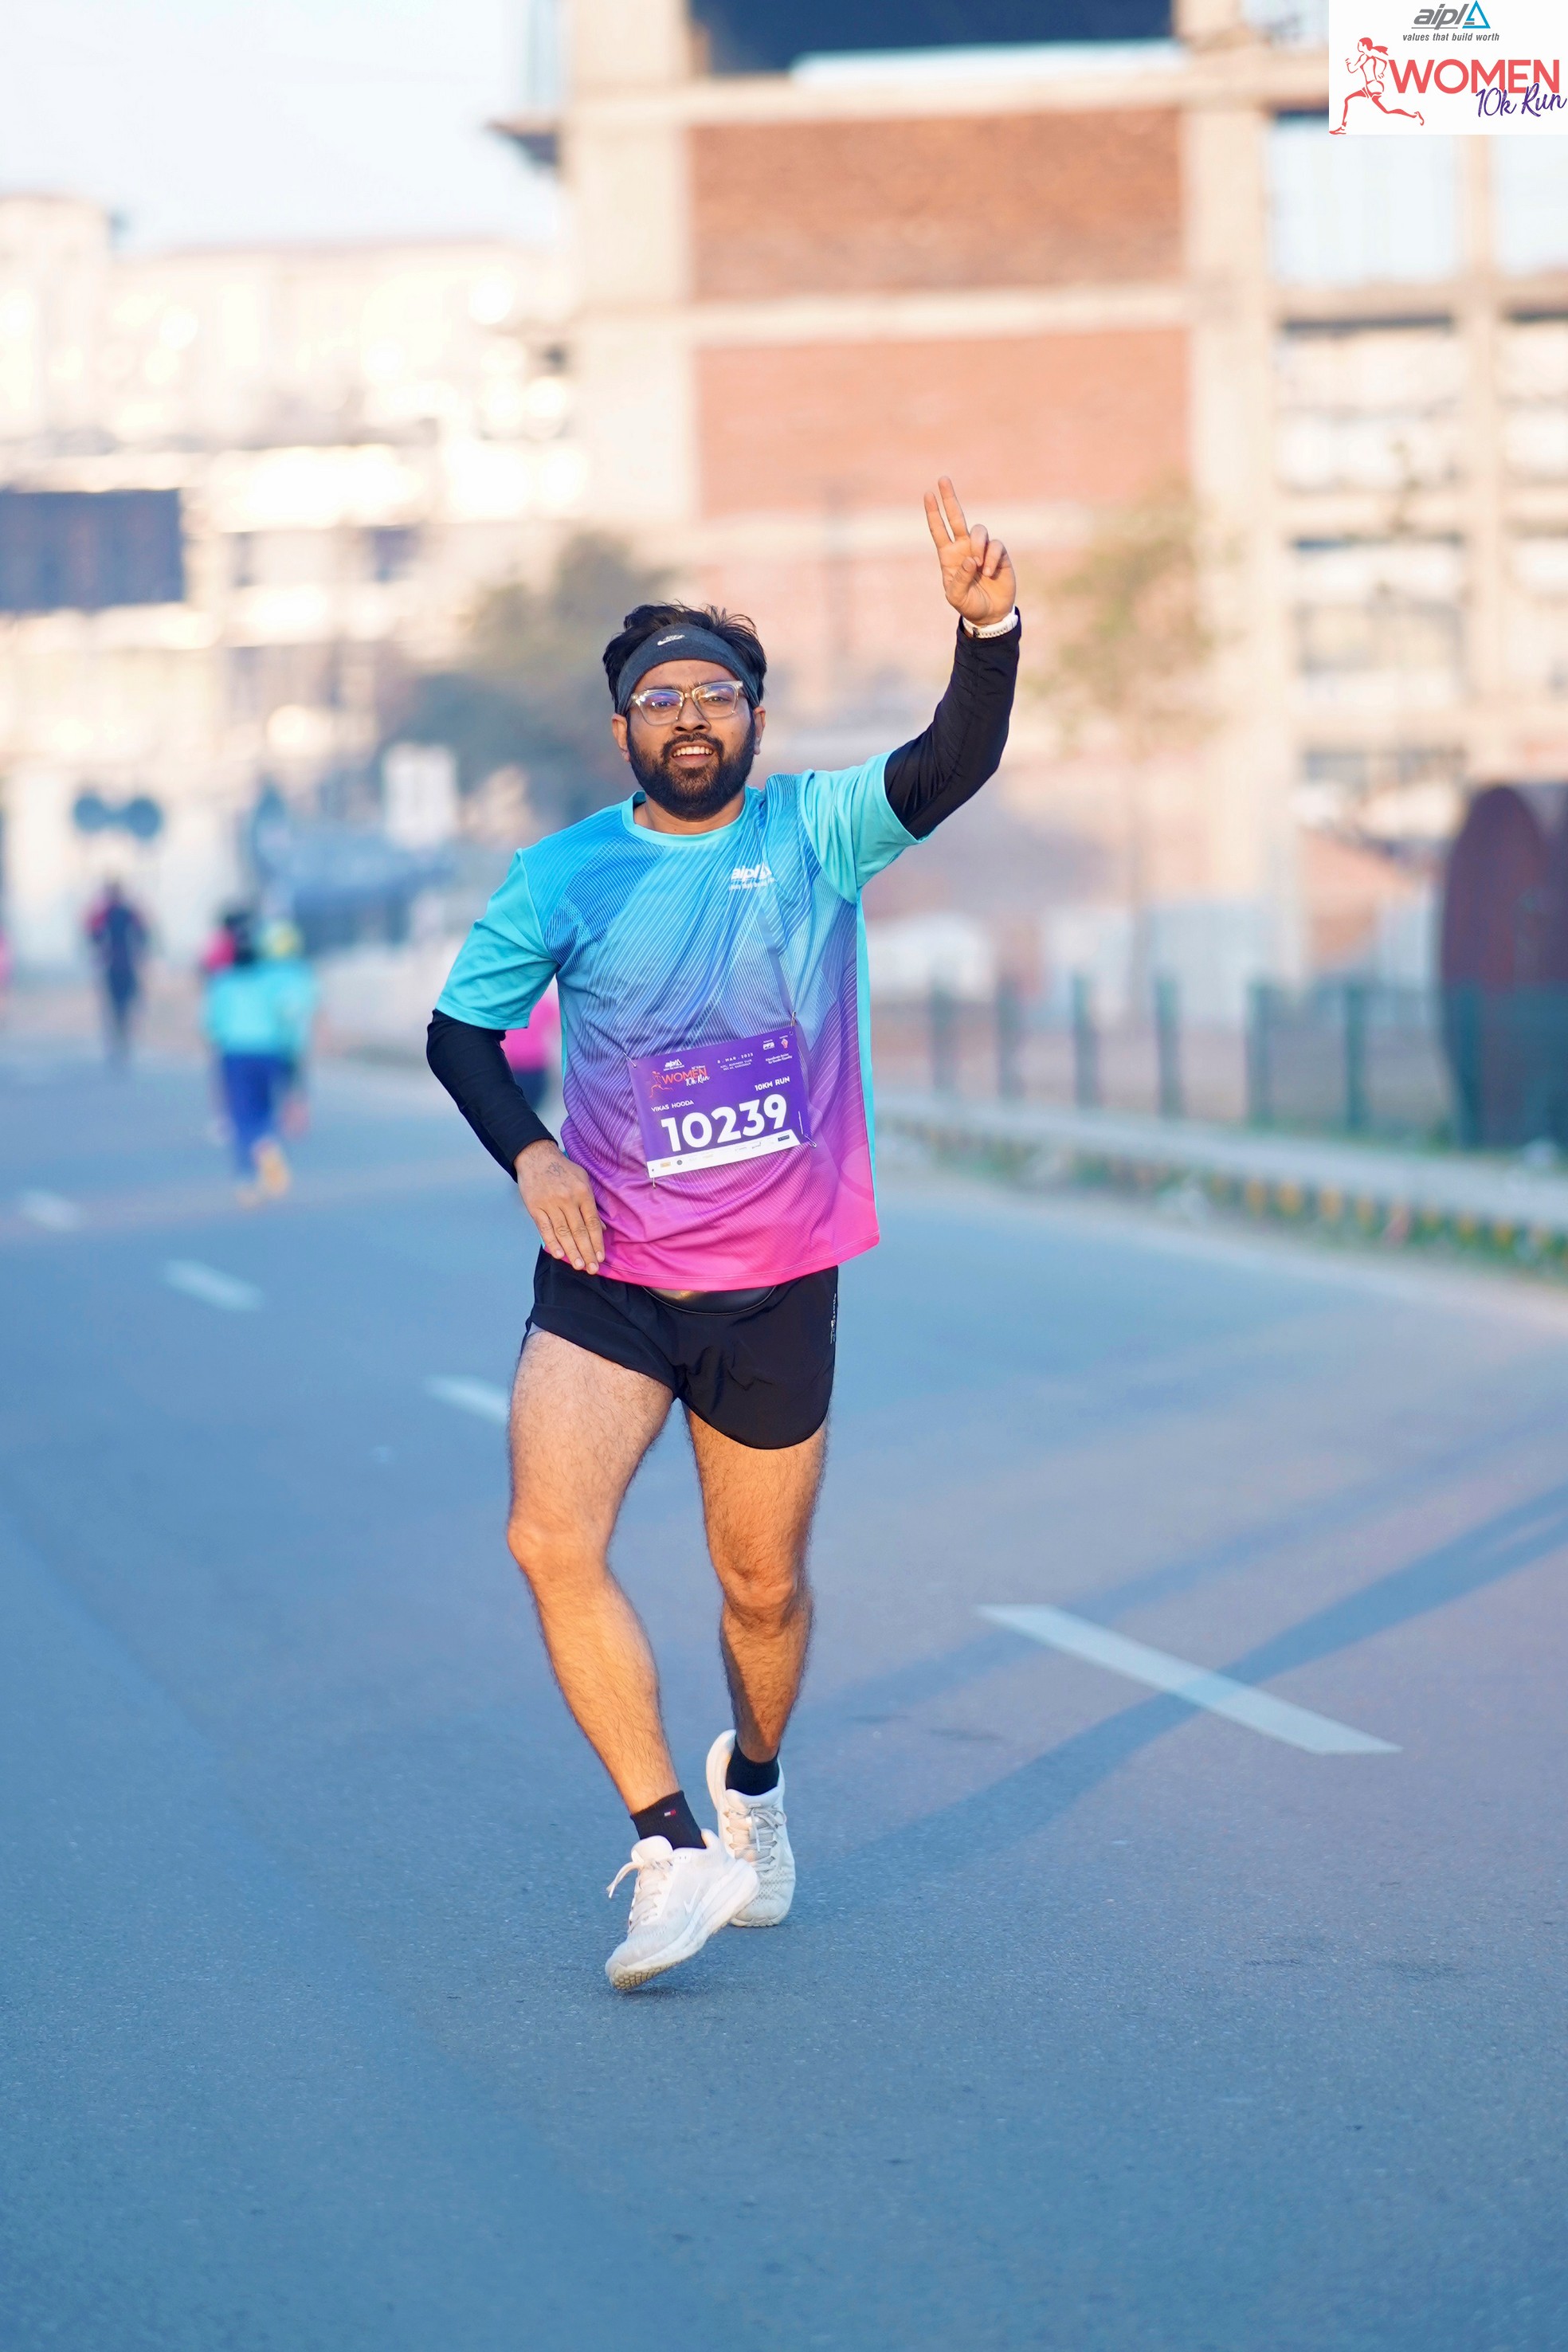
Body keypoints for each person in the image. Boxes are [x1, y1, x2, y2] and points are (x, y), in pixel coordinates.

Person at [427, 477, 1019, 1991]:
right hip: (610, 1278)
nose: (689, 718)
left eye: (716, 694)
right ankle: (667, 1844)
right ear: (620, 726)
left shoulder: (817, 832)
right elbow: (459, 1033)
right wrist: (532, 1153)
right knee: (546, 1539)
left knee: (760, 1592)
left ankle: (750, 1783)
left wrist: (987, 632)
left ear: (755, 715)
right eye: (661, 698)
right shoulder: (562, 874)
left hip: (773, 1289)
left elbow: (949, 764)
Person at [202, 910, 319, 1204]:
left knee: (242, 1116)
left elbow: (211, 1027)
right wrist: (293, 1057)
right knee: (265, 1109)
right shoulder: (270, 981)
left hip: (235, 1055)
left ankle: (246, 1180)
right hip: (271, 1052)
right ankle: (267, 1145)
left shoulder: (222, 983)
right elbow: (288, 1017)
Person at [84, 880, 150, 1062]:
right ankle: (122, 1039)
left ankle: (119, 1039)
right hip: (123, 964)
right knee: (123, 1004)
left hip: (114, 964)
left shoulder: (106, 913)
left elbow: (93, 935)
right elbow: (143, 934)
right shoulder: (128, 912)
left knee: (116, 1005)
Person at [501, 978, 561, 1114]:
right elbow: (558, 1026)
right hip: (530, 1063)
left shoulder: (509, 1004)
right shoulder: (542, 1002)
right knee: (531, 1110)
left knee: (518, 1109)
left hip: (519, 1064)